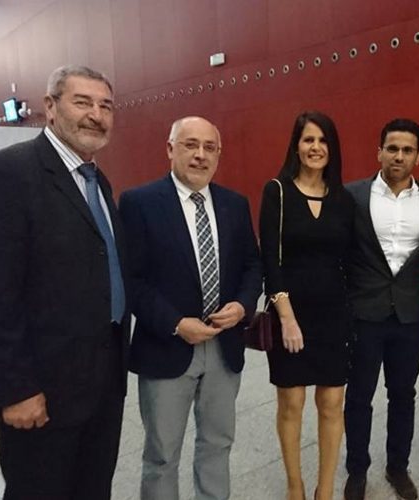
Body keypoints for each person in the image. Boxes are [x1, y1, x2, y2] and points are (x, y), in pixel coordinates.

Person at [0, 65, 129, 500]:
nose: (96, 115)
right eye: (82, 102)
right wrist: (16, 388)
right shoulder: (6, 175)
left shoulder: (98, 181)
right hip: (41, 392)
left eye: (106, 106)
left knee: (93, 489)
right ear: (50, 107)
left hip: (100, 384)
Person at [119, 116, 262, 500]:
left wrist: (243, 306)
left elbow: (253, 264)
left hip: (224, 347)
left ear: (218, 154)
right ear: (170, 149)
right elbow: (131, 279)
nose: (200, 155)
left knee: (218, 443)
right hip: (167, 346)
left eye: (209, 147)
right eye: (190, 145)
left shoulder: (234, 204)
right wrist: (176, 323)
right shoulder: (139, 203)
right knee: (162, 454)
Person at [259, 111, 354, 500]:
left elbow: (351, 260)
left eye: (323, 140)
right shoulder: (277, 192)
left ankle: (325, 490)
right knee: (292, 401)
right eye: (308, 139)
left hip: (334, 315)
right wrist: (287, 318)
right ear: (296, 146)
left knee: (331, 402)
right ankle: (295, 486)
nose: (316, 147)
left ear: (332, 148)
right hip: (290, 314)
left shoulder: (343, 199)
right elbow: (270, 261)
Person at [343, 119, 419, 500]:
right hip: (363, 314)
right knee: (358, 396)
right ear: (379, 151)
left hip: (409, 316)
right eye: (392, 148)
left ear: (418, 156)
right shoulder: (352, 196)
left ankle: (398, 467)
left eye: (407, 150)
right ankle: (357, 470)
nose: (399, 156)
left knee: (403, 395)